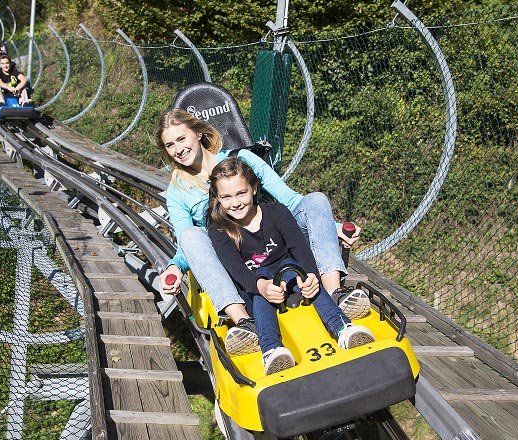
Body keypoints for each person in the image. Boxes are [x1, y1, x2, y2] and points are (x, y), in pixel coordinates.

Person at [154, 108, 369, 356]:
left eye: (181, 139)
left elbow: (290, 200)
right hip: (232, 255)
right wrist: (174, 266)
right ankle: (244, 321)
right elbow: (186, 244)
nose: (178, 149)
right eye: (170, 145)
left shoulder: (242, 159)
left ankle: (334, 292)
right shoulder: (178, 190)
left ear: (199, 133)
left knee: (316, 200)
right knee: (191, 235)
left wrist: (331, 227)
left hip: (271, 240)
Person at [206, 158, 376, 374]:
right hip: (257, 290)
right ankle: (271, 349)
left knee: (296, 269)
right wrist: (262, 286)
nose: (236, 202)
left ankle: (343, 328)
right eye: (226, 197)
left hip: (289, 277)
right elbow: (237, 270)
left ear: (254, 188)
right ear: (218, 199)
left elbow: (300, 249)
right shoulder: (220, 230)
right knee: (262, 277)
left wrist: (311, 277)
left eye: (241, 193)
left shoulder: (277, 212)